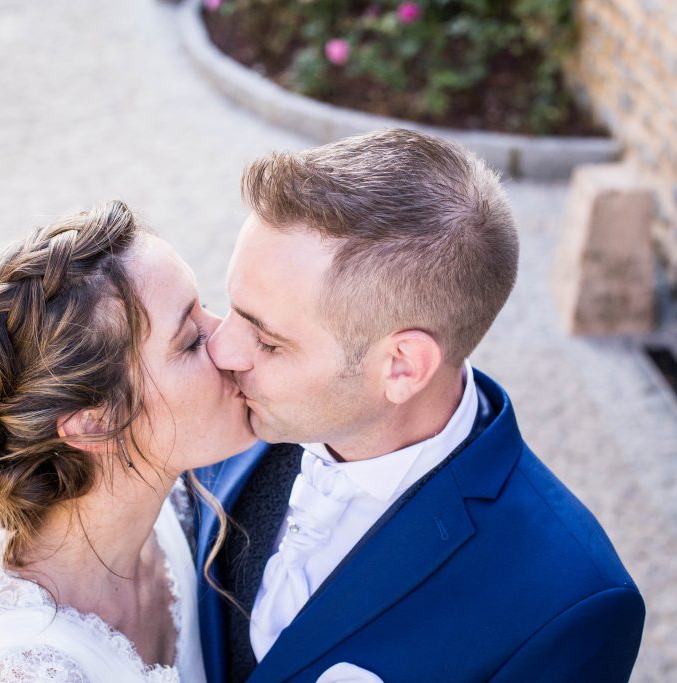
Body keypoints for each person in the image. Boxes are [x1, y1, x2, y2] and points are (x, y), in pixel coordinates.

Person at [195, 128, 645, 683]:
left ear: (403, 366)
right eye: (234, 306)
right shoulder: (214, 418)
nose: (219, 349)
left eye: (268, 341)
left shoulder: (567, 602)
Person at [0, 200, 256, 682]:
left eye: (204, 307)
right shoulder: (19, 672)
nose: (231, 342)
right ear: (94, 424)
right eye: (190, 340)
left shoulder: (175, 510)